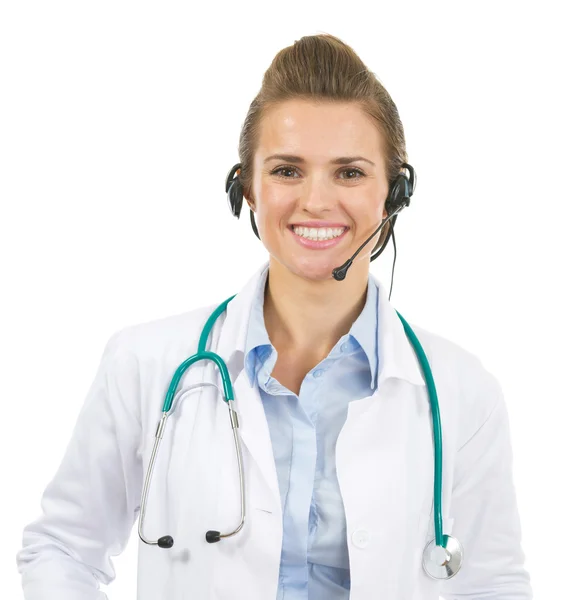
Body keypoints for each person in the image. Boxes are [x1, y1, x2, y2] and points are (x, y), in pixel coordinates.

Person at [16, 33, 533, 599]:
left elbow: (492, 584)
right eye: (287, 170)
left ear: (395, 193)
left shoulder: (462, 392)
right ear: (247, 190)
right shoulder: (145, 363)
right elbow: (62, 549)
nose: (316, 200)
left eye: (350, 172)